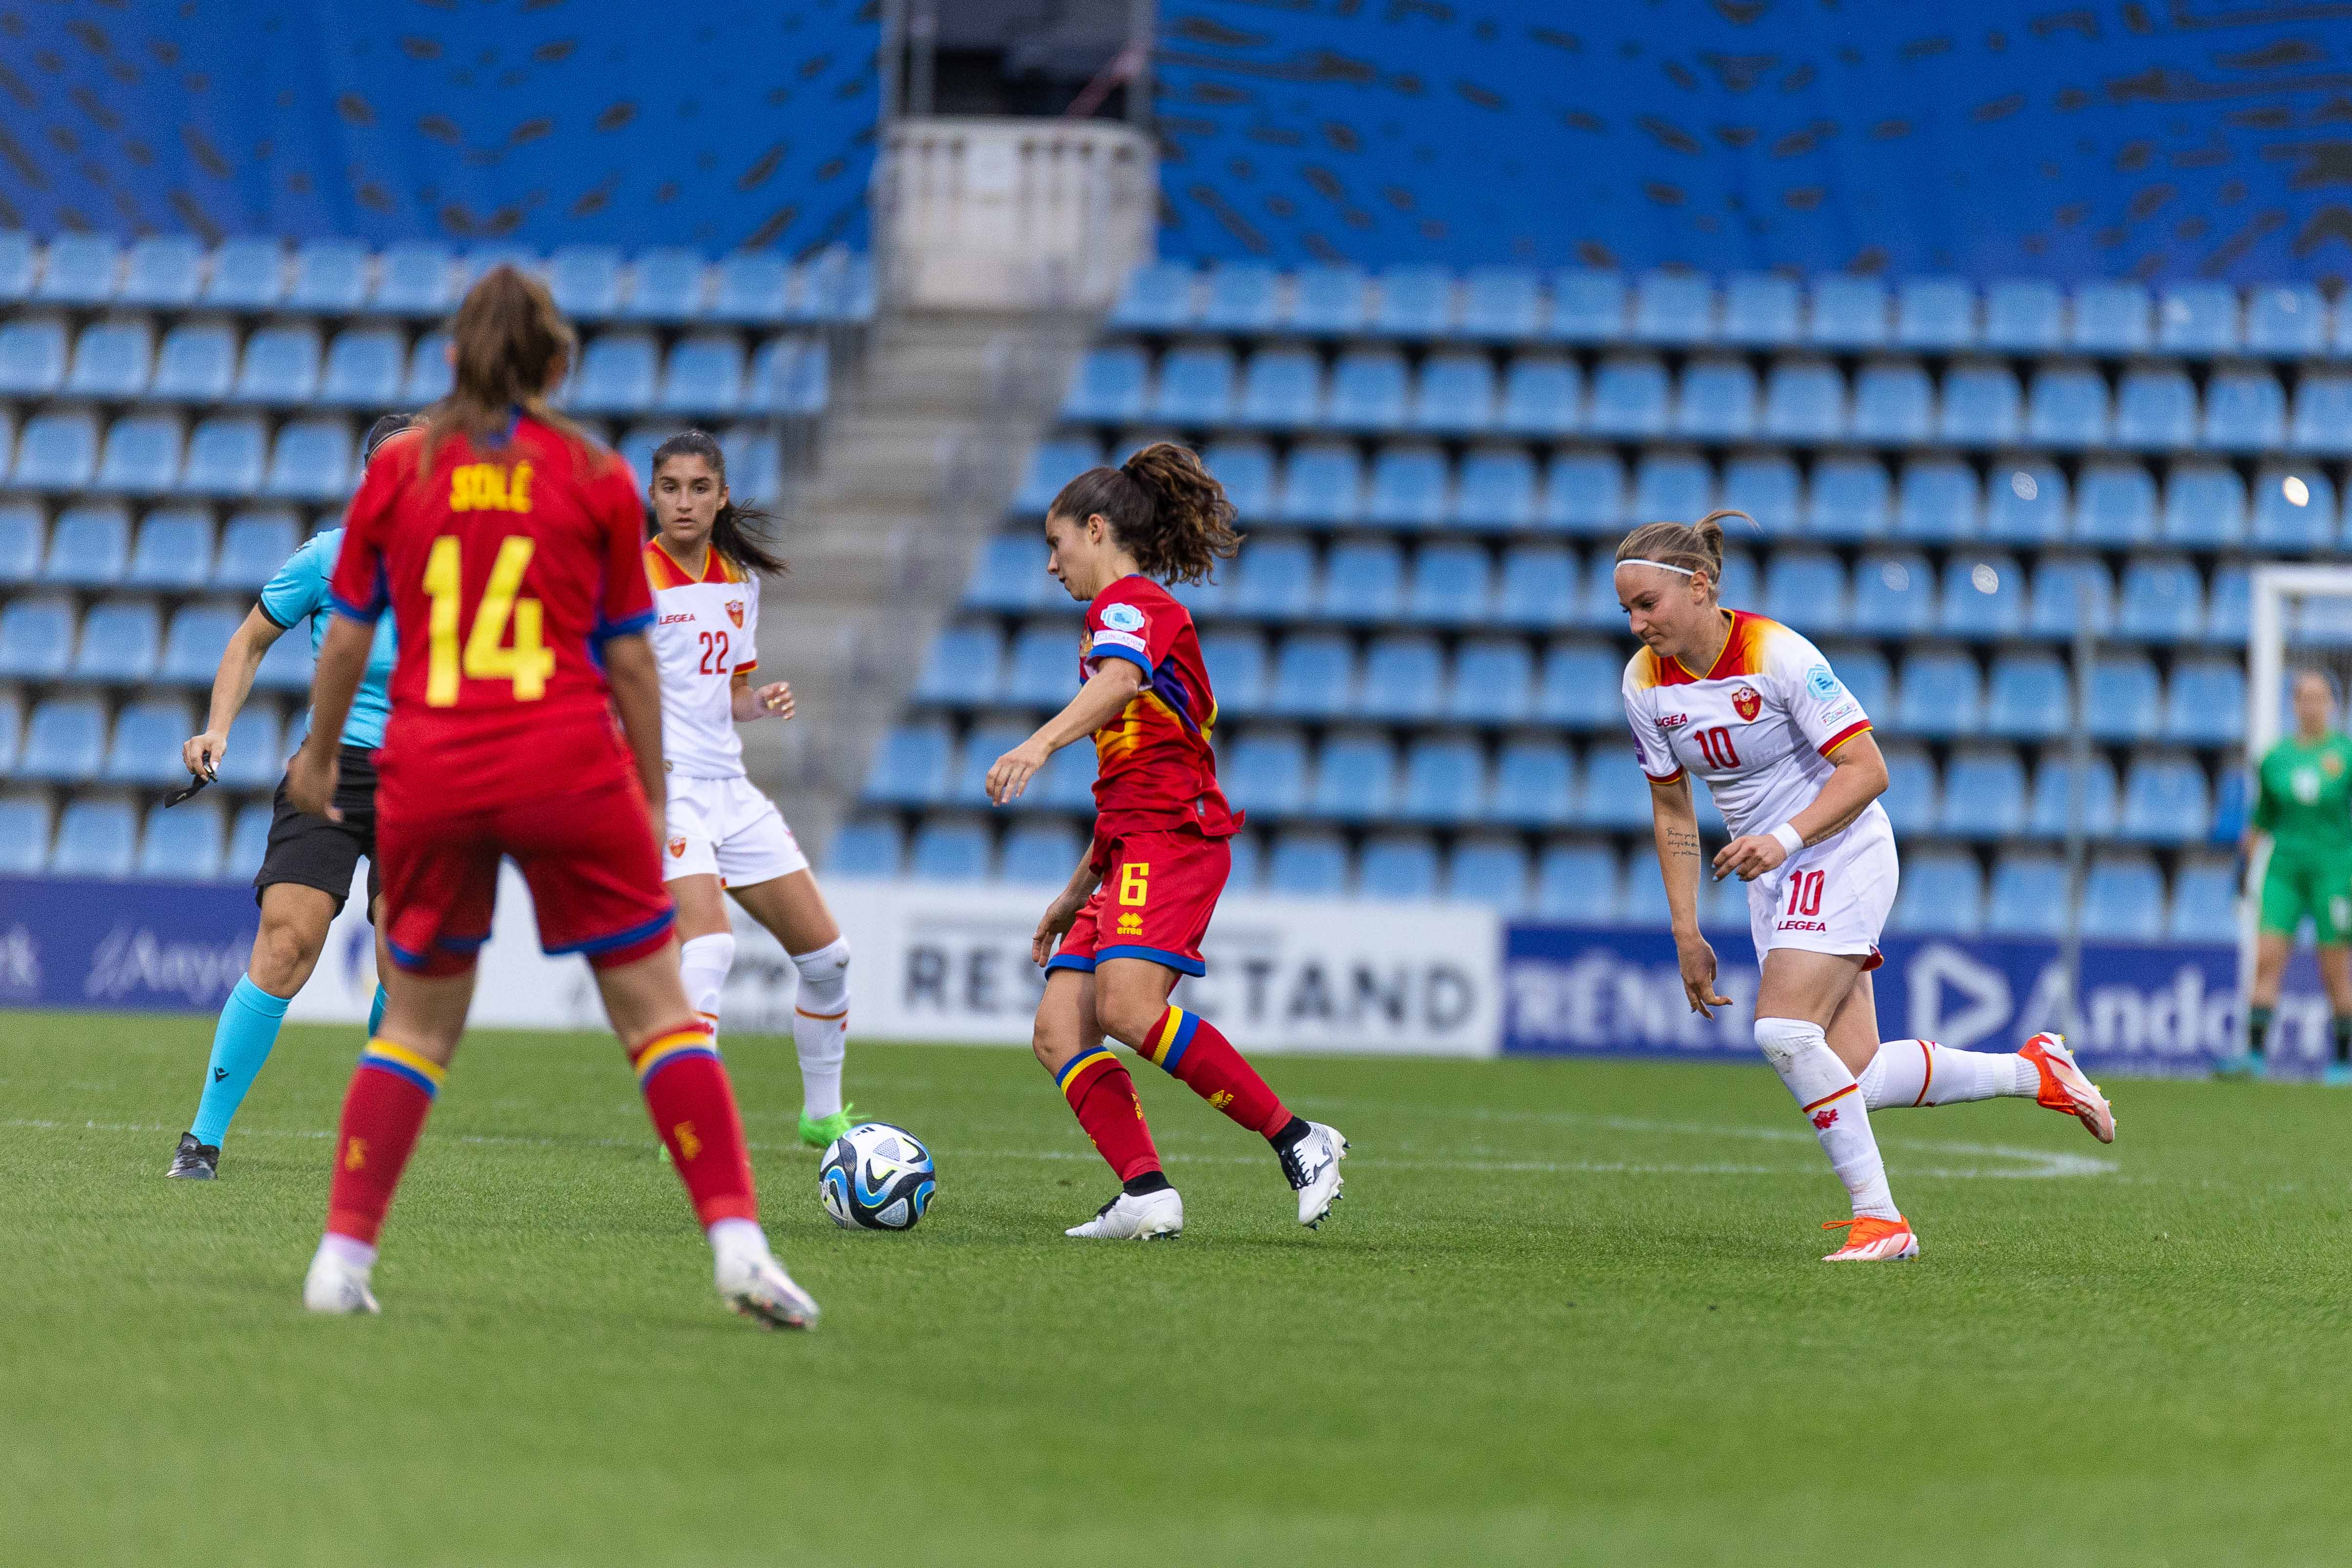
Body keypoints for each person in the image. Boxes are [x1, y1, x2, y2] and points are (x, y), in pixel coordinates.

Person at [286, 266, 815, 1328]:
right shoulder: (591, 473)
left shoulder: (399, 472)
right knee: (660, 1016)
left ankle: (340, 1260)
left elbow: (346, 631)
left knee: (418, 1026)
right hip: (566, 761)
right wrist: (655, 790)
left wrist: (312, 754)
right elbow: (629, 660)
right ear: (558, 364)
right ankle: (739, 1247)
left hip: (431, 765)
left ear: (453, 362)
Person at [1617, 511, 2114, 1264]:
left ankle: (1880, 1218)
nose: (1635, 624)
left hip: (1839, 847)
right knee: (1853, 1071)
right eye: (1625, 609)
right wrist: (1687, 930)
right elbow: (1670, 805)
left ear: (1700, 585)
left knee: (1782, 1032)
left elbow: (1868, 770)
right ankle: (2033, 1068)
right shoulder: (1644, 685)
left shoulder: (1777, 653)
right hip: (1770, 873)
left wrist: (1782, 838)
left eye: (1645, 605)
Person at [984, 441, 1347, 1240]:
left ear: (1094, 529)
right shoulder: (1114, 623)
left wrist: (1036, 745)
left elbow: (1118, 682)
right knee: (1058, 1027)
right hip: (1128, 841)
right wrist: (1074, 891)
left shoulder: (1134, 608)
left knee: (1125, 1007)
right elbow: (1125, 780)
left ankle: (1299, 1138)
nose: (1052, 564)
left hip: (1173, 839)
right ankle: (1144, 1191)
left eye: (1056, 544)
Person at [166, 412, 416, 1180]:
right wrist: (217, 729)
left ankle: (371, 1136)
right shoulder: (328, 558)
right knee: (286, 945)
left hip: (429, 777)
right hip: (331, 769)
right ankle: (201, 1140)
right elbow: (248, 641)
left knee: (406, 968)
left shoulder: (471, 568)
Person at [641, 430, 857, 1148]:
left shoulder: (739, 579)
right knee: (712, 945)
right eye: (670, 487)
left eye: (699, 488)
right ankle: (691, 1112)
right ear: (652, 493)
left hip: (729, 787)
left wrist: (758, 702)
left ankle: (820, 1115)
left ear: (722, 496)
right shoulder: (631, 582)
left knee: (829, 959)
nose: (684, 501)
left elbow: (726, 691)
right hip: (668, 790)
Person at [2222, 668, 2352, 1082]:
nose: (2311, 705)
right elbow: (2262, 819)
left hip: (2333, 872)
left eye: (2319, 697)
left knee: (2333, 969)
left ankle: (2343, 1060)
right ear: (2294, 704)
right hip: (2284, 872)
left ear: (2332, 704)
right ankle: (2255, 1055)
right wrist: (2243, 868)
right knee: (2266, 960)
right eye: (2304, 697)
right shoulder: (2276, 759)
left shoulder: (2345, 756)